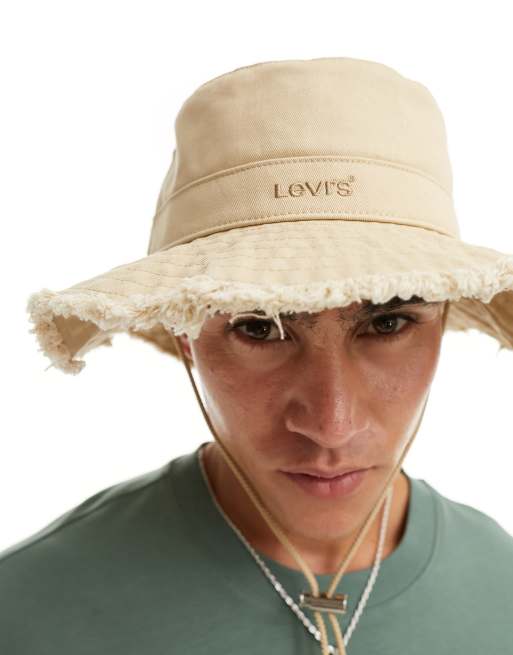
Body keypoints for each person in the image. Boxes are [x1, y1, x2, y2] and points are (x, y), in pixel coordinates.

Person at [2, 57, 513, 654]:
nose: (331, 425)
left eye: (388, 322)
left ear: (444, 317)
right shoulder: (28, 612)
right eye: (260, 327)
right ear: (184, 331)